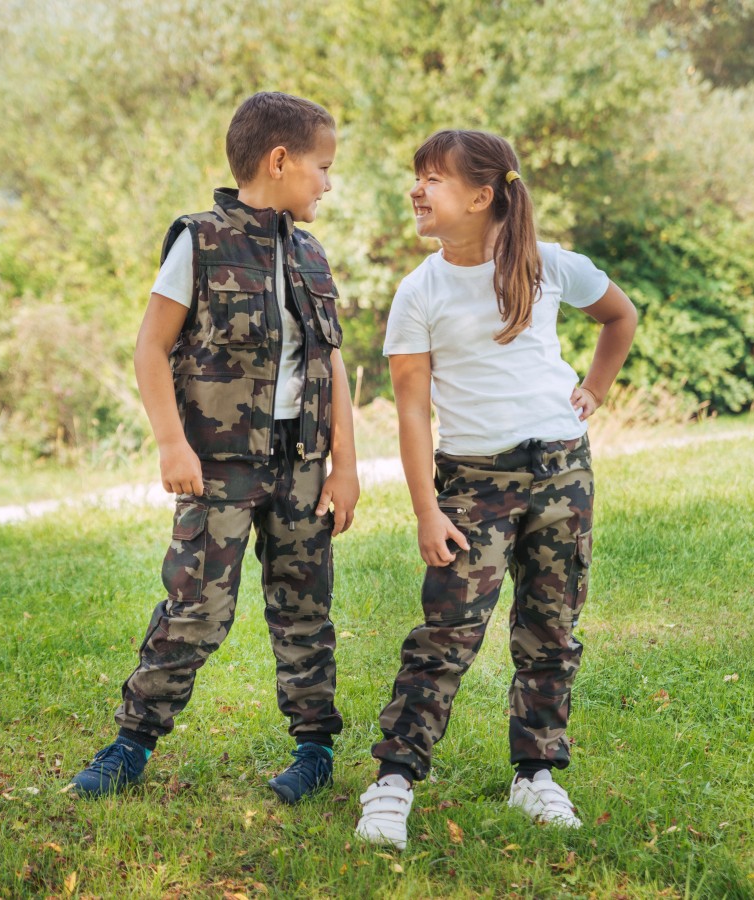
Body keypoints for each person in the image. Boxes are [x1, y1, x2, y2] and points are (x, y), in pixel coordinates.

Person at [69, 92, 360, 804]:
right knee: (196, 606)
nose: (327, 182)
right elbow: (151, 347)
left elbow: (332, 364)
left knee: (304, 605)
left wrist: (345, 465)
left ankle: (314, 749)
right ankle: (131, 743)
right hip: (219, 466)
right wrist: (172, 443)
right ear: (280, 160)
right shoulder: (197, 241)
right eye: (322, 167)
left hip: (300, 466)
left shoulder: (310, 252)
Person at [354, 129, 638, 849]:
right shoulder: (419, 291)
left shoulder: (546, 268)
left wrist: (595, 389)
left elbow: (619, 315)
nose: (417, 190)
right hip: (473, 485)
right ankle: (393, 782)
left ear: (482, 196)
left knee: (551, 629)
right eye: (416, 177)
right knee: (446, 634)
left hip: (560, 471)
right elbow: (413, 410)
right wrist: (426, 510)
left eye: (434, 179)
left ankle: (536, 776)